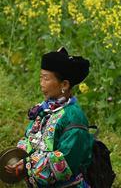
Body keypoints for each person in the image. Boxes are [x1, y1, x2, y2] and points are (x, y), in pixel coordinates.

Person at [5, 47, 94, 187]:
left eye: (46, 78)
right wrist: (18, 158)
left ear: (64, 84)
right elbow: (30, 137)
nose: (41, 83)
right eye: (41, 77)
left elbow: (65, 162)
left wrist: (28, 165)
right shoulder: (45, 109)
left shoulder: (74, 117)